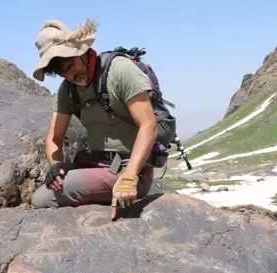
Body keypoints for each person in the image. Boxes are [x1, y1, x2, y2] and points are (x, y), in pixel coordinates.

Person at [30, 19, 176, 219]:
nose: (70, 74)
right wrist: (55, 165)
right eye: (61, 71)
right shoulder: (68, 89)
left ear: (80, 50)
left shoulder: (120, 71)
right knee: (54, 185)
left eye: (70, 64)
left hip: (129, 170)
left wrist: (129, 178)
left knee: (42, 199)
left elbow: (148, 126)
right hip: (96, 164)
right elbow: (54, 138)